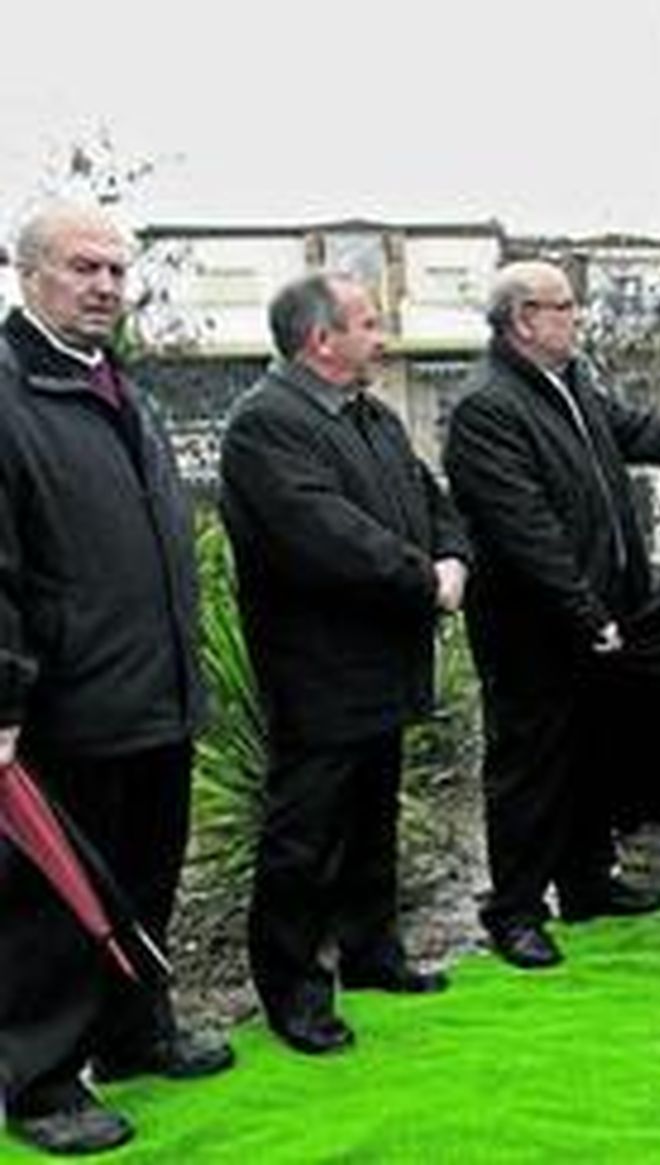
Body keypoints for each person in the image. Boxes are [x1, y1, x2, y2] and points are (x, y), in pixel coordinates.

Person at [443, 260, 660, 971]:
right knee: (530, 766)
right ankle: (516, 912)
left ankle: (587, 883)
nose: (579, 315)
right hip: (534, 628)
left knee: (593, 750)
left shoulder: (569, 382)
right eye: (565, 305)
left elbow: (636, 430)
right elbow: (525, 529)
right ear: (524, 319)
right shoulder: (487, 406)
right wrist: (587, 613)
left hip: (595, 612)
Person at [0, 205, 232, 1155]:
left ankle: (139, 1032)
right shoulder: (9, 394)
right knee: (48, 907)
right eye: (82, 267)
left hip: (154, 693)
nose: (104, 285)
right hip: (62, 708)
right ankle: (44, 1081)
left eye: (116, 270)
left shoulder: (119, 387)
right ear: (28, 276)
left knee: (146, 878)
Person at [219, 273, 472, 1055]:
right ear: (320, 340)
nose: (382, 338)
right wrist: (425, 578)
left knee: (371, 817)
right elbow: (323, 533)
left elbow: (432, 501)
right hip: (318, 668)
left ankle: (372, 953)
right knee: (305, 837)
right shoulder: (266, 424)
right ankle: (294, 992)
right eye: (368, 324)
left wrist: (454, 555)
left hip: (384, 658)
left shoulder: (373, 415)